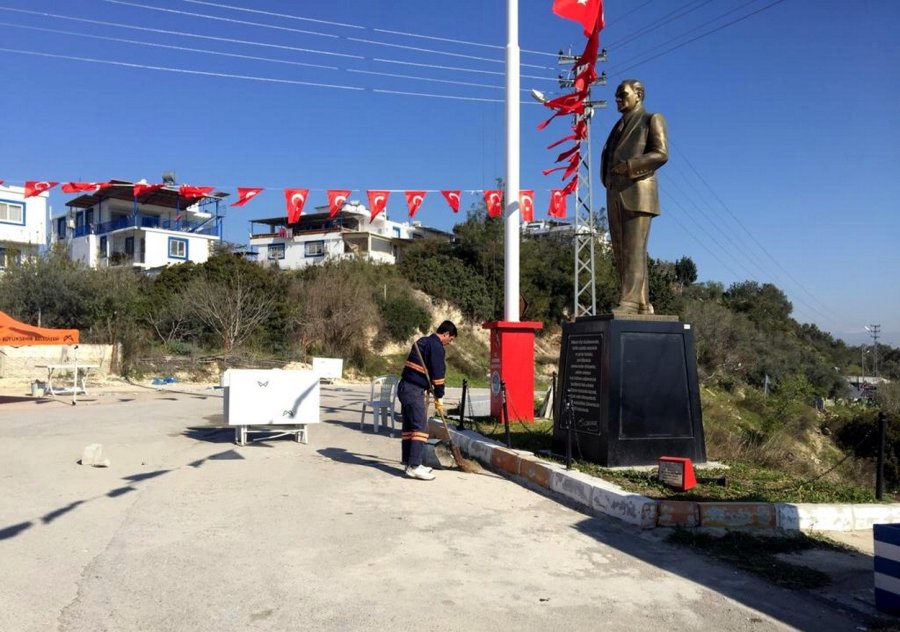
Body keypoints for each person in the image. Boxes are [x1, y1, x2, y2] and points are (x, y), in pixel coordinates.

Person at [600, 79, 669, 315]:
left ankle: (629, 301)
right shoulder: (617, 126)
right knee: (621, 251)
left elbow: (661, 153)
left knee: (634, 249)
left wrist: (629, 166)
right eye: (617, 95)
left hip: (638, 192)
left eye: (623, 94)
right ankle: (641, 302)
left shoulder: (651, 119)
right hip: (614, 191)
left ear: (638, 95)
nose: (618, 99)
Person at [398, 320, 457, 480]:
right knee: (420, 428)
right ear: (446, 334)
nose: (450, 343)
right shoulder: (436, 346)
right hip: (413, 390)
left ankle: (409, 462)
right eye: (451, 339)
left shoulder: (423, 341)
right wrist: (440, 395)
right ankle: (414, 467)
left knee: (410, 427)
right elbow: (438, 374)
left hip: (405, 387)